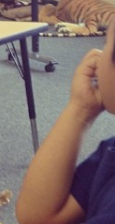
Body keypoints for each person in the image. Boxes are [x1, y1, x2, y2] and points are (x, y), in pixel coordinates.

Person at [16, 19, 115, 224]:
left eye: (106, 44)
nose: (97, 54)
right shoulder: (111, 152)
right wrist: (81, 109)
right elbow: (38, 217)